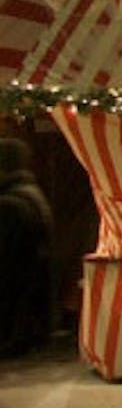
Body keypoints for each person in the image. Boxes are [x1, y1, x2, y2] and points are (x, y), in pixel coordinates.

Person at [0, 138, 53, 358]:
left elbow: (5, 263)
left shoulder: (10, 203)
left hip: (12, 315)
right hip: (27, 309)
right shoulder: (31, 193)